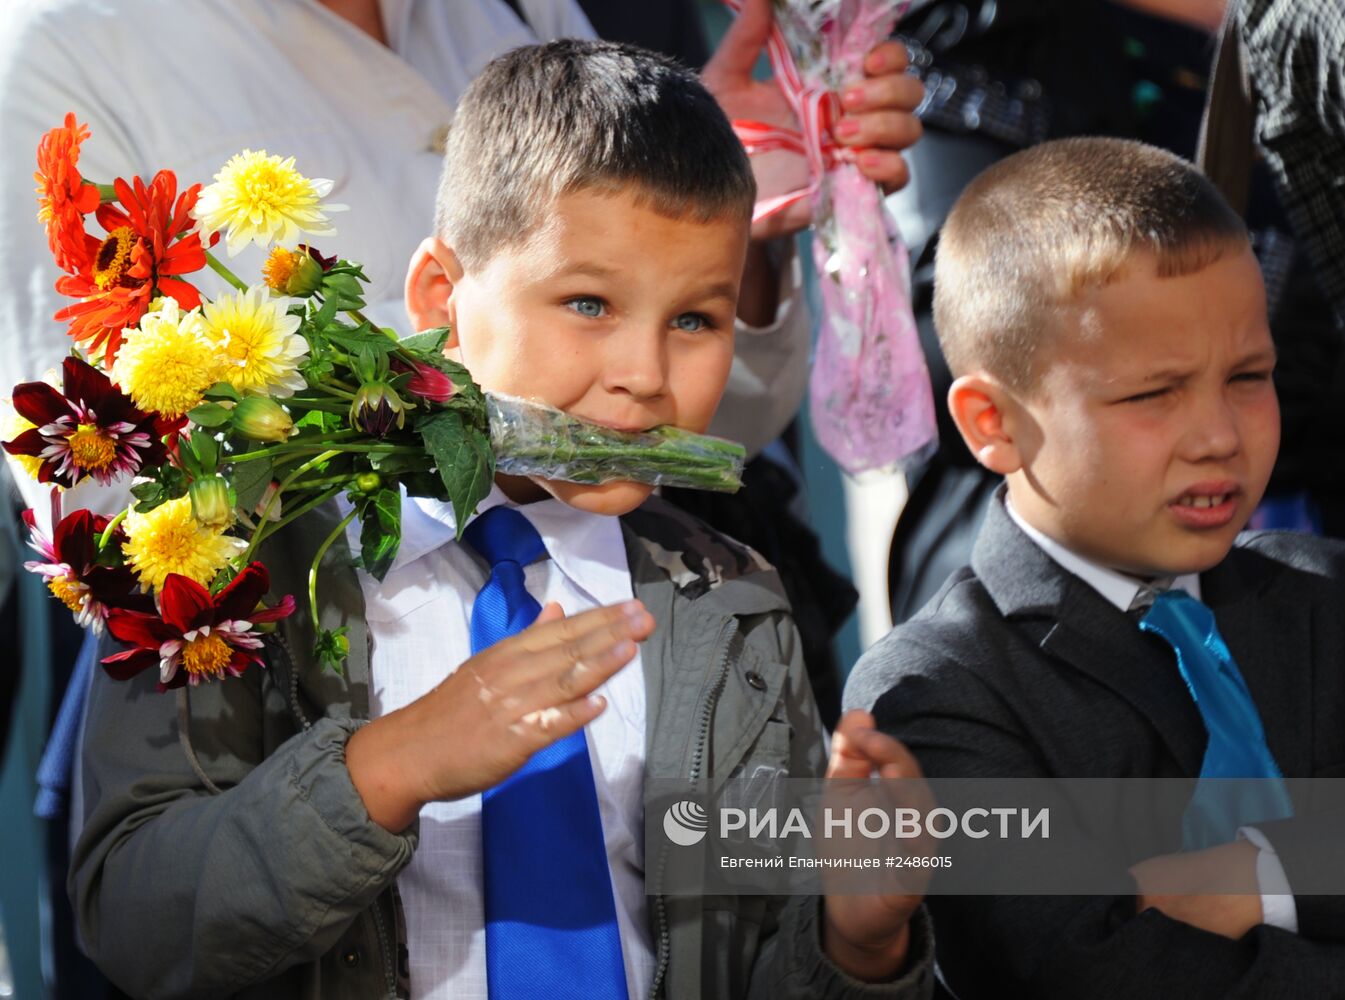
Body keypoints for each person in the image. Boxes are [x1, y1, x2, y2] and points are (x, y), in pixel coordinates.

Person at [70, 40, 935, 1000]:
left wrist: (856, 943)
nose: (646, 375)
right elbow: (135, 917)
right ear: (441, 299)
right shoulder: (233, 569)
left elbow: (761, 952)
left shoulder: (735, 599)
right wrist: (387, 767)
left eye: (695, 319)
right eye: (588, 303)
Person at [845, 136, 1345, 998]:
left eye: (1248, 375)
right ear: (991, 422)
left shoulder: (1324, 593)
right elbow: (1094, 975)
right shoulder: (938, 690)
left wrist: (1267, 874)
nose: (1218, 435)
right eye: (1152, 394)